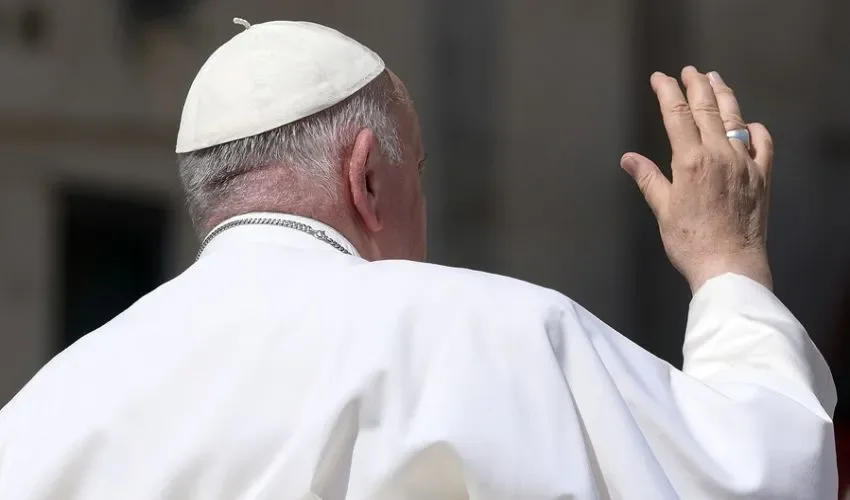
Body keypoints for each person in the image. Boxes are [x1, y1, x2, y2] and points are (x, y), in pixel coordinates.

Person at [0, 18, 837, 499]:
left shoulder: (44, 411)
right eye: (418, 180)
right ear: (367, 176)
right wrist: (729, 264)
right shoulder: (495, 334)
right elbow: (763, 476)